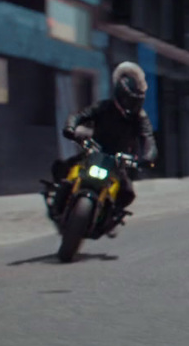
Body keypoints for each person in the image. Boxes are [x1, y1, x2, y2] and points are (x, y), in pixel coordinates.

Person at [46, 62, 158, 235]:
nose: (133, 105)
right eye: (131, 99)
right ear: (121, 94)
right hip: (93, 152)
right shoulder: (104, 107)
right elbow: (80, 116)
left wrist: (147, 157)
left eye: (137, 100)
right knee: (62, 169)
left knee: (127, 193)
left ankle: (110, 220)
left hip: (118, 161)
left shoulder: (140, 118)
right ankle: (56, 204)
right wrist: (71, 127)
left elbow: (148, 138)